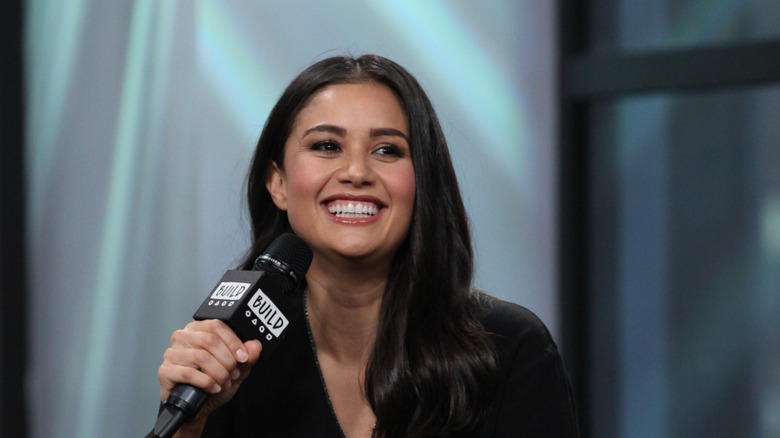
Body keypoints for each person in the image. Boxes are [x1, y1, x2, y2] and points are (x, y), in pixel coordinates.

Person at [155, 54, 579, 437]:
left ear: (422, 184)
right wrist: (190, 427)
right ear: (278, 183)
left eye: (386, 150)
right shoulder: (238, 357)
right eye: (326, 146)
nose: (356, 171)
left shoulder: (509, 347)